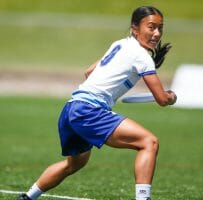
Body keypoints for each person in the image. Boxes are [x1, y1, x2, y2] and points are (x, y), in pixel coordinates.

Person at [17, 6, 176, 200]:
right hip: (88, 110)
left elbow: (88, 72)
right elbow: (162, 99)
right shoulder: (142, 57)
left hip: (71, 108)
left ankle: (27, 197)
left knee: (73, 164)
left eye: (160, 28)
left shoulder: (120, 44)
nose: (157, 33)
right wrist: (171, 96)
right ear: (135, 28)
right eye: (151, 27)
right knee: (149, 142)